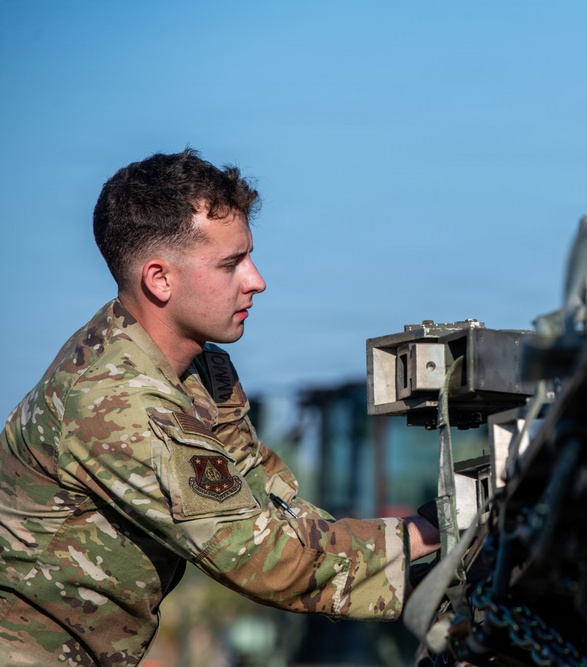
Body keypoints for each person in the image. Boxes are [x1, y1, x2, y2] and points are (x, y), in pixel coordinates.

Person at [0, 149, 441, 666]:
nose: (256, 280)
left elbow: (271, 509)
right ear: (160, 279)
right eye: (231, 264)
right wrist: (421, 537)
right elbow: (261, 559)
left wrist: (419, 552)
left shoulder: (201, 372)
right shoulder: (117, 401)